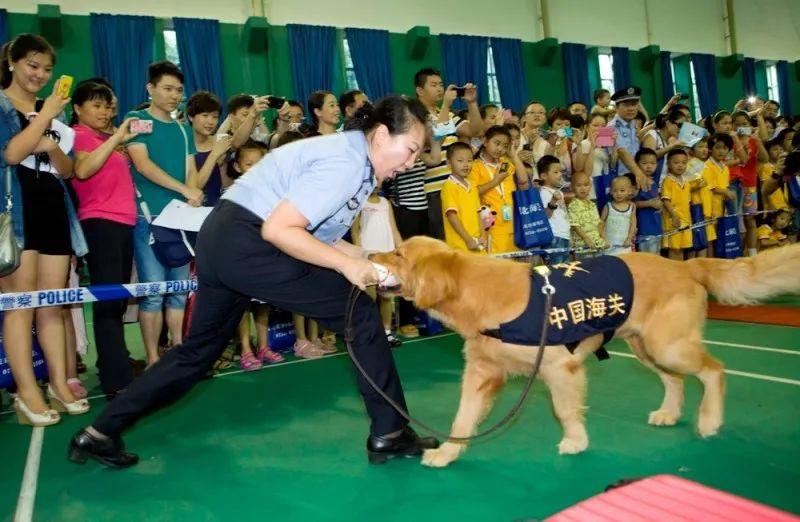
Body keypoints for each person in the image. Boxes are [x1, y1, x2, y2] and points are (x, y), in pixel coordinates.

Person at [68, 95, 439, 468]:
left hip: (223, 239)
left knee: (197, 353)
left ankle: (98, 433)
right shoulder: (345, 161)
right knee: (358, 313)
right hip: (249, 240)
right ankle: (389, 432)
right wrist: (346, 269)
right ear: (379, 135)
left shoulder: (352, 158)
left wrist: (365, 261)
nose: (410, 163)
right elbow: (281, 229)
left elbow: (316, 233)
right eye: (408, 150)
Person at [0, 33, 90, 426]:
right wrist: (45, 119)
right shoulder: (3, 105)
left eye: (47, 69)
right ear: (12, 63)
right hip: (16, 210)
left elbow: (68, 170)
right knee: (21, 304)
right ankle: (26, 392)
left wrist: (50, 141)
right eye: (32, 65)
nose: (39, 74)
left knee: (52, 302)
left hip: (54, 207)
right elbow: (11, 154)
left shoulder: (49, 110)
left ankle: (57, 381)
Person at [125, 61, 203, 365]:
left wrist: (192, 193)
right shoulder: (137, 120)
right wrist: (184, 190)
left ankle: (179, 351)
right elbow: (142, 165)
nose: (174, 95)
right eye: (167, 88)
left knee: (179, 290)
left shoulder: (183, 130)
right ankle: (153, 359)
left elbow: (190, 169)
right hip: (148, 217)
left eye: (179, 90)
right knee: (154, 292)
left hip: (179, 220)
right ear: (151, 88)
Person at [71, 80, 139, 397]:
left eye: (108, 105)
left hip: (125, 223)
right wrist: (114, 142)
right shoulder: (78, 136)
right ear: (78, 108)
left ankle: (117, 362)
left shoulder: (107, 138)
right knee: (109, 301)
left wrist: (116, 140)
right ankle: (116, 380)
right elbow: (82, 171)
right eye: (96, 105)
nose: (104, 111)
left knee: (118, 300)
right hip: (100, 223)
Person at [351, 186, 404, 347]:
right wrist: (360, 255)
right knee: (370, 298)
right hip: (369, 257)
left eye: (379, 180)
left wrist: (402, 250)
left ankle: (387, 333)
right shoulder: (360, 203)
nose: (376, 183)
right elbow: (354, 232)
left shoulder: (385, 203)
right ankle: (369, 333)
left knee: (387, 297)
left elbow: (393, 229)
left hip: (388, 256)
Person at [470, 125, 529, 253]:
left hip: (513, 224)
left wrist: (513, 155)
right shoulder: (475, 166)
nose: (500, 149)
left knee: (512, 265)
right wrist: (495, 182)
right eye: (497, 143)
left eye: (505, 146)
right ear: (485, 142)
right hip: (491, 227)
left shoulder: (506, 163)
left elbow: (524, 181)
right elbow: (472, 193)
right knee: (497, 267)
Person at [440, 141, 487, 253]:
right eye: (460, 161)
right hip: (460, 247)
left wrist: (483, 235)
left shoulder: (472, 185)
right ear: (449, 163)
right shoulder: (449, 186)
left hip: (477, 244)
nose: (466, 164)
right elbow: (452, 216)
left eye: (469, 161)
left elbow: (478, 213)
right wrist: (468, 239)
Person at [660, 149, 693, 260]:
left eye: (684, 163)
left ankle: (680, 271)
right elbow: (666, 200)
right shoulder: (668, 180)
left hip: (685, 219)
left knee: (682, 247)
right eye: (676, 162)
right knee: (674, 248)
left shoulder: (686, 181)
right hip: (673, 220)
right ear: (668, 164)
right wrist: (673, 215)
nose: (680, 166)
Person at [538, 155, 571, 264]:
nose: (560, 175)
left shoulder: (559, 192)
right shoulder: (543, 192)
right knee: (556, 270)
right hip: (554, 236)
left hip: (564, 235)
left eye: (560, 172)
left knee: (564, 270)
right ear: (543, 175)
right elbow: (546, 216)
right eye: (555, 172)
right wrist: (552, 201)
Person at [567, 172, 607, 258]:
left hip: (597, 244)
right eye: (579, 185)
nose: (583, 188)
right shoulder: (573, 204)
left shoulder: (592, 204)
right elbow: (575, 225)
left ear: (590, 186)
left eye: (586, 185)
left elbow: (599, 224)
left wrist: (603, 238)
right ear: (572, 187)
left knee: (599, 269)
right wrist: (586, 239)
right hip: (583, 246)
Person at [633, 148, 662, 254]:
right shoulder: (636, 182)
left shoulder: (653, 181)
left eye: (653, 163)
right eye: (644, 163)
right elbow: (631, 204)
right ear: (636, 164)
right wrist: (649, 203)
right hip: (645, 229)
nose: (649, 166)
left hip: (657, 228)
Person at [601, 176, 637, 255]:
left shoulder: (632, 207)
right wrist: (603, 239)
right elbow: (601, 223)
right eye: (615, 191)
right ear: (610, 191)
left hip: (624, 246)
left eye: (622, 190)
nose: (618, 193)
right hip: (609, 247)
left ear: (630, 191)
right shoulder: (608, 206)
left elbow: (633, 225)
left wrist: (629, 239)